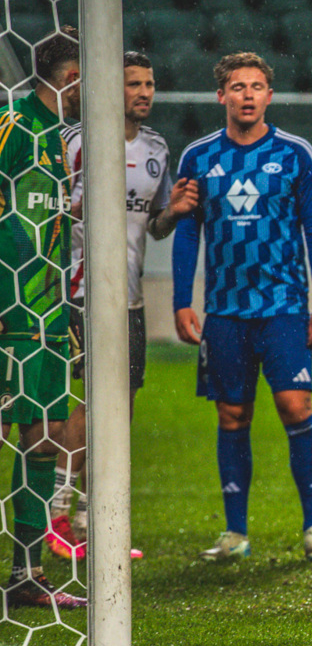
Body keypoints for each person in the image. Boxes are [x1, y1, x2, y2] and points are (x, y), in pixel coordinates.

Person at [172, 53, 312, 563]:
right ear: (221, 96)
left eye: (257, 86)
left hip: (284, 306)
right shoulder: (198, 157)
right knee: (233, 414)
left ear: (270, 95)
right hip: (224, 311)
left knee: (295, 407)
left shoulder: (296, 153)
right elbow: (187, 230)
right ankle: (235, 532)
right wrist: (181, 300)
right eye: (237, 87)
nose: (247, 95)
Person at [51, 52, 198, 559]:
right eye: (133, 83)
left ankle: (95, 522)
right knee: (93, 402)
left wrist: (175, 212)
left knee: (123, 406)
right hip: (80, 291)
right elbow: (49, 211)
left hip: (129, 298)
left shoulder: (157, 147)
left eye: (149, 83)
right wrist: (81, 203)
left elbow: (153, 227)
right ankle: (57, 514)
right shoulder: (74, 141)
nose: (144, 92)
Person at [0, 35, 84, 609]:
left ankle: (25, 574)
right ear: (69, 74)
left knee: (43, 441)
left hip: (45, 317)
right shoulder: (12, 125)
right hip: (7, 312)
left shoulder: (61, 139)